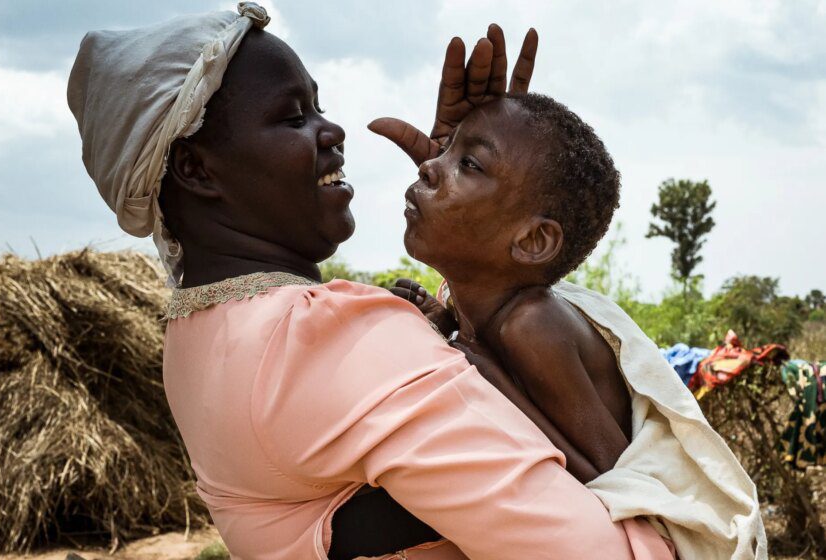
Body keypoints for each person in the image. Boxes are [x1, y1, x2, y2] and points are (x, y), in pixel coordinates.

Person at [68, 4, 676, 559]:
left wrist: (479, 216)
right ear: (198, 170)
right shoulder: (331, 338)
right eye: (292, 118)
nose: (332, 132)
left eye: (319, 107)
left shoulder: (196, 340)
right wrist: (483, 203)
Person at [372, 82, 768, 560]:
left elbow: (609, 477)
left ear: (534, 241)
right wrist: (449, 329)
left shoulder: (531, 323)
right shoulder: (478, 311)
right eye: (449, 151)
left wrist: (476, 368)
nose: (429, 167)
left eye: (468, 164)